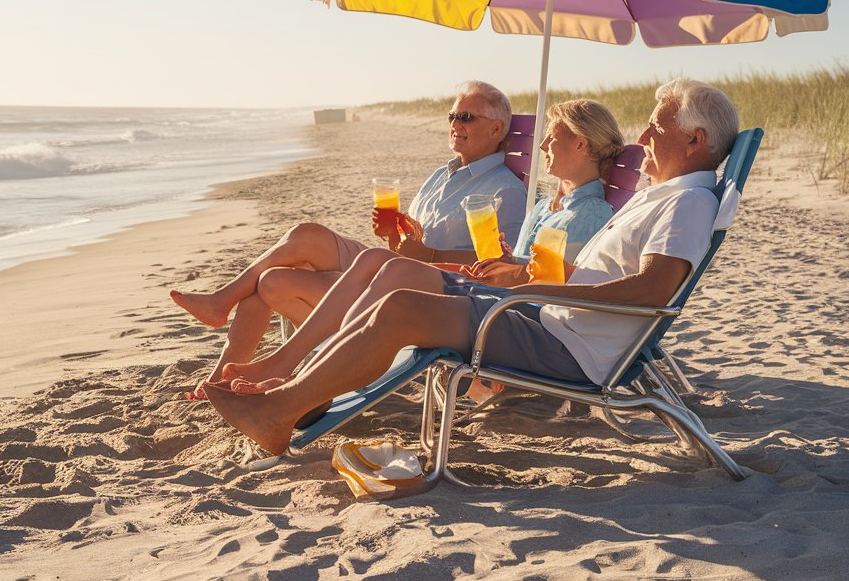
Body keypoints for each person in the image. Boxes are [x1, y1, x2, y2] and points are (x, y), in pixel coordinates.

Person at [204, 78, 740, 456]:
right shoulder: (663, 196)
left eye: (655, 127)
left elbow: (653, 292)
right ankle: (291, 388)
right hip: (545, 313)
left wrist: (541, 281)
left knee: (402, 310)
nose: (642, 139)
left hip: (566, 343)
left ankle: (280, 412)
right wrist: (526, 275)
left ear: (694, 140)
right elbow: (605, 275)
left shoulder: (687, 202)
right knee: (395, 277)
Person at [219, 98, 625, 395]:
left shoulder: (586, 214)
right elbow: (529, 265)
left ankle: (296, 372)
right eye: (452, 115)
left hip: (509, 312)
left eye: (553, 139)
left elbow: (559, 287)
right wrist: (501, 260)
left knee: (382, 267)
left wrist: (490, 266)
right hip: (490, 291)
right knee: (363, 257)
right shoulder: (550, 207)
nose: (542, 148)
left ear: (582, 145)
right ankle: (290, 368)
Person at [170, 81, 526, 396]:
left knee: (273, 280)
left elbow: (500, 269)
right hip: (399, 265)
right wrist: (394, 234)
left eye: (466, 117)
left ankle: (240, 345)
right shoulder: (442, 175)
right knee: (306, 236)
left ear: (496, 128)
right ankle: (223, 336)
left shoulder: (505, 190)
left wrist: (428, 254)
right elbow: (411, 242)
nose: (454, 124)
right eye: (452, 115)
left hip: (424, 285)